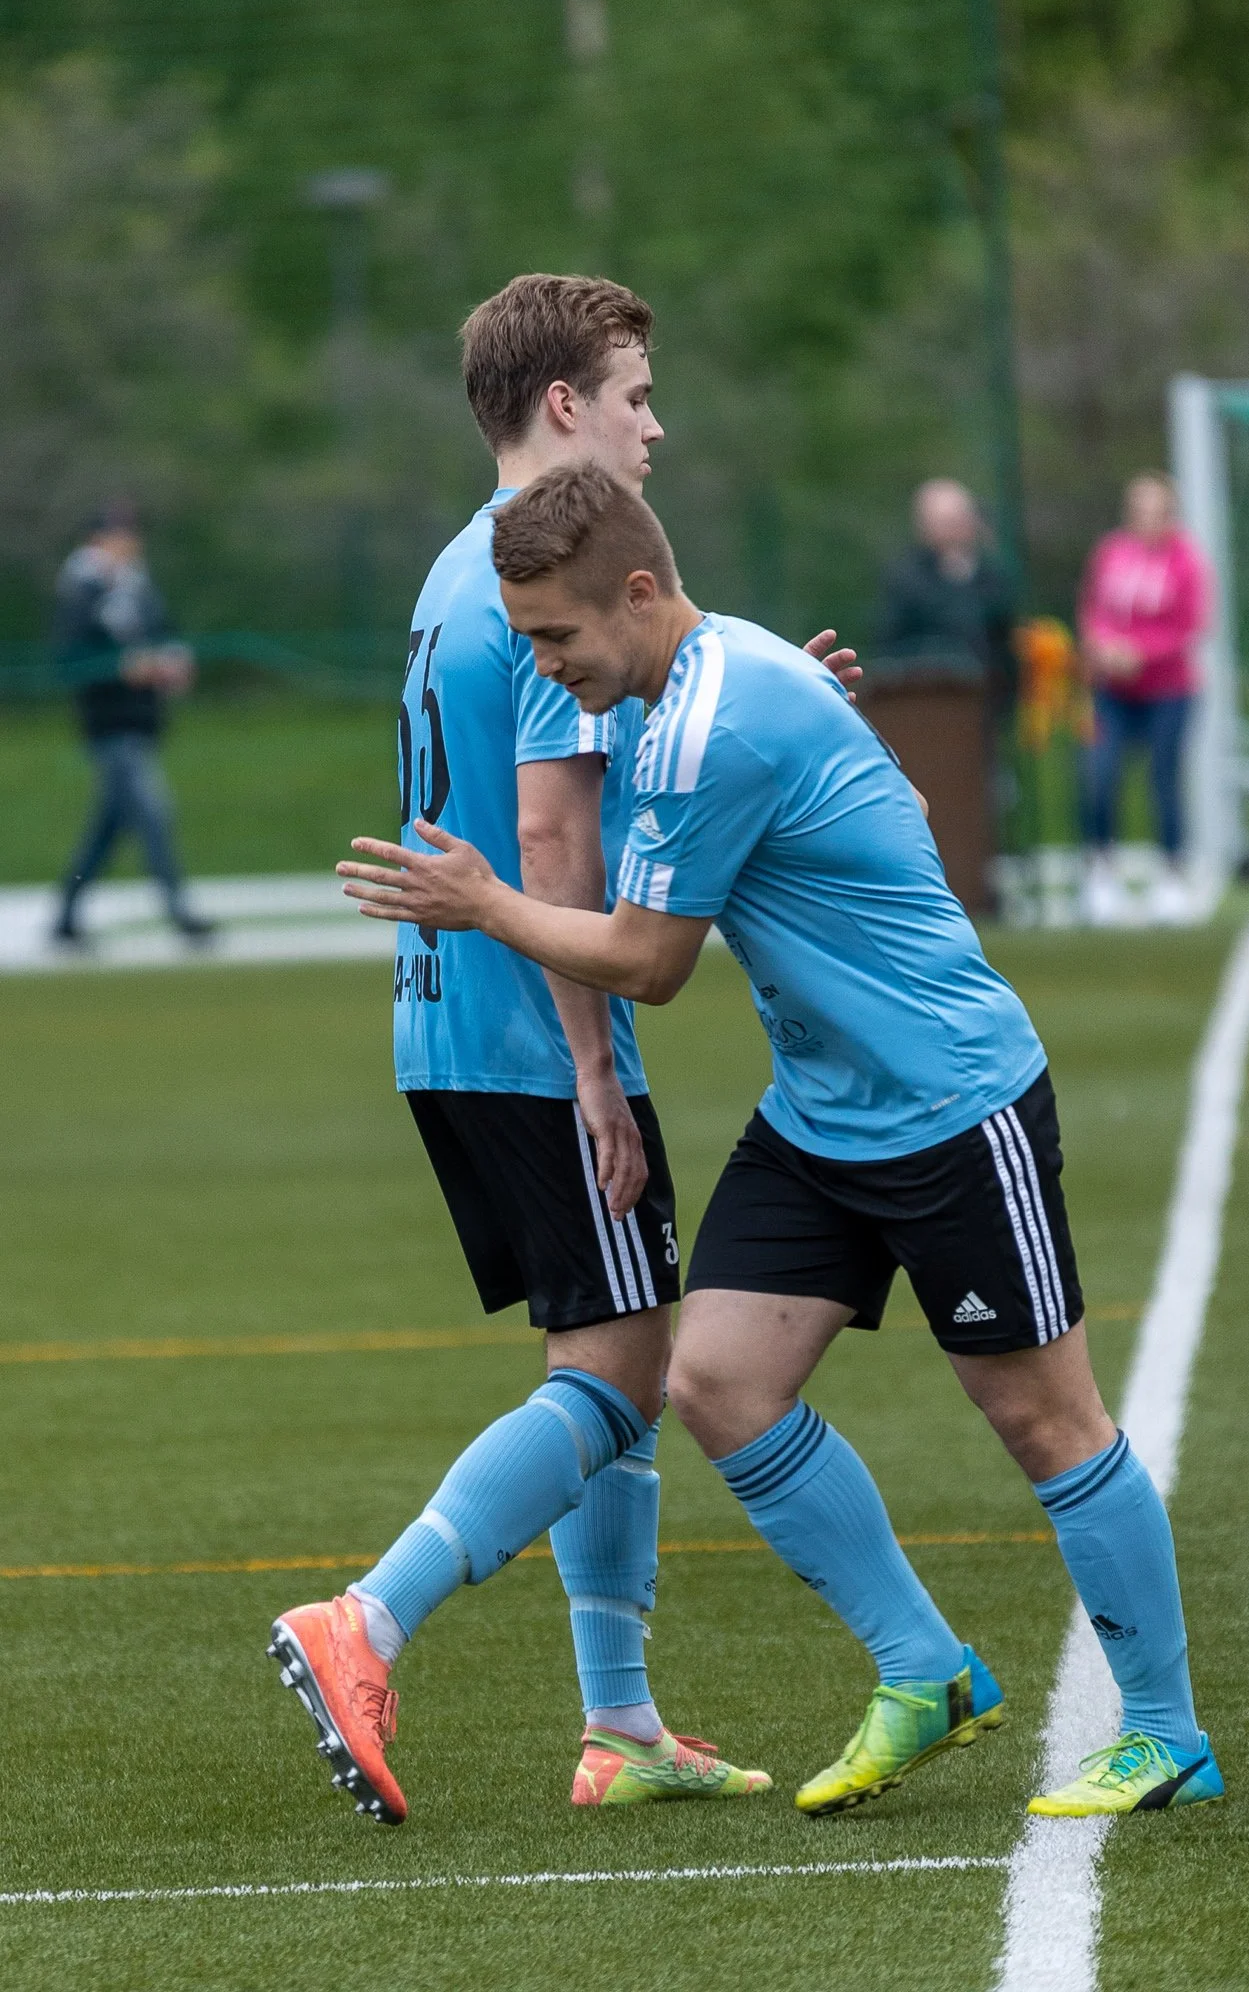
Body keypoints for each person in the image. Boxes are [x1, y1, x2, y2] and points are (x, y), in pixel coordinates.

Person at [340, 462, 1225, 1824]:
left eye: (556, 637)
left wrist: (485, 904)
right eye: (525, 640)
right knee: (715, 1379)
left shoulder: (718, 716)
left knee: (1042, 1415)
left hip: (951, 1103)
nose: (543, 667)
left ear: (639, 592)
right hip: (823, 1111)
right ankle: (926, 1669)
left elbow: (649, 962)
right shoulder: (706, 684)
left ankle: (1164, 1734)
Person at [268, 275, 858, 1826]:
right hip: (534, 1033)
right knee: (619, 1369)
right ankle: (368, 1618)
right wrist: (598, 1070)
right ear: (562, 405)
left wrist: (758, 699)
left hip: (448, 1017)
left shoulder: (464, 563)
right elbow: (550, 833)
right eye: (636, 395)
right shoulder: (543, 580)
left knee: (615, 1353)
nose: (656, 427)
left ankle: (620, 1724)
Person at [51, 503, 213, 946]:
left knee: (109, 826)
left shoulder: (136, 586)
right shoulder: (81, 591)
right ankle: (179, 912)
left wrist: (173, 662)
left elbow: (163, 633)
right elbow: (72, 658)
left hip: (141, 722)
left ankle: (66, 916)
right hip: (109, 724)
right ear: (98, 540)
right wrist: (124, 667)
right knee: (153, 813)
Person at [1078, 472, 1210, 926]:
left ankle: (1171, 873)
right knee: (1099, 773)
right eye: (1139, 510)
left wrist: (1141, 654)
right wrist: (1102, 647)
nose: (1146, 519)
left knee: (1164, 778)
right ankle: (1100, 871)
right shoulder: (1111, 552)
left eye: (1156, 511)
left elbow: (1189, 625)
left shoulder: (1186, 560)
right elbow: (1093, 609)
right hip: (1112, 691)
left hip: (1168, 690)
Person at [881, 478, 1016, 698]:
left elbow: (1005, 638)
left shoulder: (992, 576)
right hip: (925, 694)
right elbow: (892, 640)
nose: (954, 529)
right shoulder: (906, 577)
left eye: (958, 519)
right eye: (945, 522)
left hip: (987, 694)